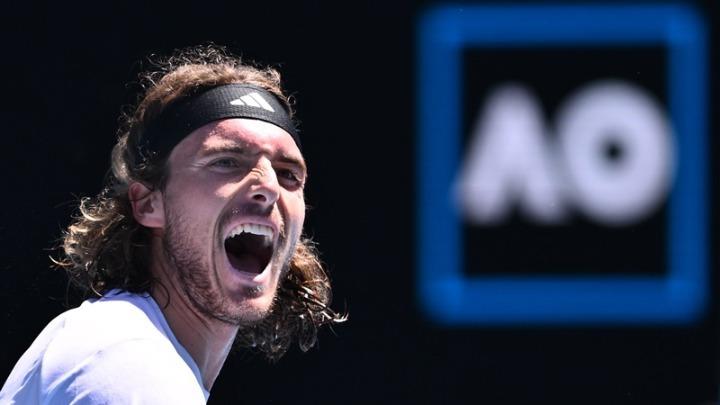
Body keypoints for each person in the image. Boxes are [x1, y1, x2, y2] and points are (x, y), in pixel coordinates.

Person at [0, 44, 345, 404]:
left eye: (288, 174)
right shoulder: (127, 362)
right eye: (226, 162)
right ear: (148, 203)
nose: (269, 187)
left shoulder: (129, 351)